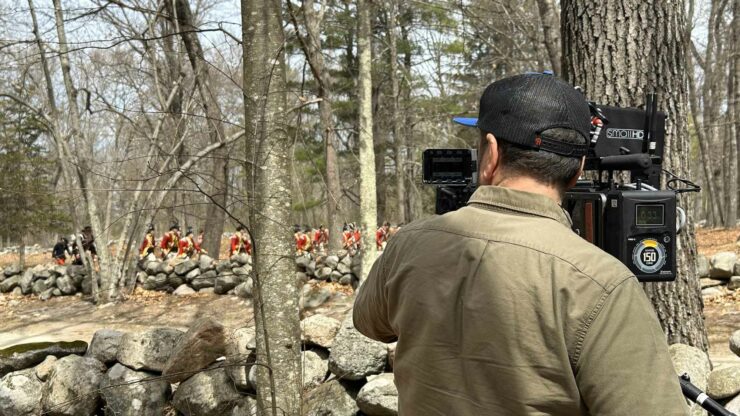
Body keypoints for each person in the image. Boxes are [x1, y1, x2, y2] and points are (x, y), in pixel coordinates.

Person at [353, 73, 687, 415]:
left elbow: (368, 323)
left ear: (491, 154)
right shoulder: (598, 282)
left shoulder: (408, 245)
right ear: (576, 170)